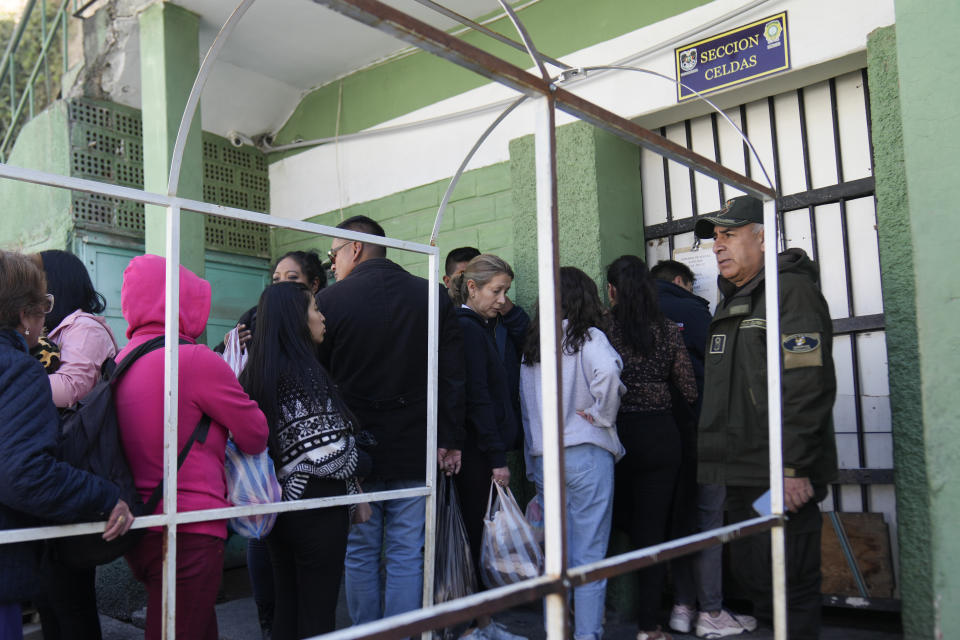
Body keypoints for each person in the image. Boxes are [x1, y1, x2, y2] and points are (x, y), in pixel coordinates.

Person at [694, 196, 837, 640]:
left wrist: (793, 468)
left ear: (761, 236)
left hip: (777, 472)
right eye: (715, 238)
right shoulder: (735, 299)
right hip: (741, 472)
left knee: (790, 586)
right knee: (760, 582)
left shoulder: (787, 291)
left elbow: (806, 385)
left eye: (729, 234)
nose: (718, 246)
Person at [317, 215, 466, 626]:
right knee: (407, 550)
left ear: (355, 248)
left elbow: (321, 382)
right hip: (416, 444)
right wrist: (450, 437)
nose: (333, 264)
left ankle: (367, 635)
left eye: (334, 254)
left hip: (352, 451)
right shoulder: (432, 297)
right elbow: (453, 376)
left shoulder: (329, 303)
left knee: (360, 549)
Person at [113, 254, 269, 640]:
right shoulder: (195, 360)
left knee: (190, 624)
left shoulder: (119, 361)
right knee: (179, 629)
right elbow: (255, 434)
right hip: (190, 527)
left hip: (140, 523)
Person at [0, 251, 133, 640]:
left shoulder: (81, 330)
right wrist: (106, 496)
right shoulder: (19, 368)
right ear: (25, 314)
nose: (44, 320)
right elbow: (23, 473)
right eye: (42, 307)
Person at [240, 282, 371, 639]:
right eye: (315, 309)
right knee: (317, 611)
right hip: (315, 506)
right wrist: (366, 462)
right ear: (297, 319)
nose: (322, 317)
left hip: (276, 508)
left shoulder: (255, 372)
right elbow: (331, 456)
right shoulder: (306, 375)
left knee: (288, 606)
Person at [650, 259, 755, 637]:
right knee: (709, 521)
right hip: (705, 430)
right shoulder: (694, 312)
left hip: (662, 437)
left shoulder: (632, 315)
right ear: (682, 282)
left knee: (680, 521)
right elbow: (723, 369)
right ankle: (711, 610)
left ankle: (682, 607)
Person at [520, 266, 625, 640]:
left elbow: (527, 410)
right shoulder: (588, 336)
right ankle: (585, 635)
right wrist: (601, 415)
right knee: (589, 557)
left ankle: (557, 631)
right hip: (585, 454)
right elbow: (610, 374)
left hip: (547, 459)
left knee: (557, 558)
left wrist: (534, 467)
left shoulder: (533, 345)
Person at [232, 249, 327, 640]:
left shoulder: (315, 341)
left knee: (293, 574)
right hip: (267, 463)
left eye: (292, 278)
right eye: (276, 278)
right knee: (266, 544)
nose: (282, 285)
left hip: (294, 466)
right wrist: (233, 348)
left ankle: (280, 621)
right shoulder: (252, 324)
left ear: (313, 285)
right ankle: (269, 616)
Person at [604, 255, 698, 640]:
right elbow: (689, 389)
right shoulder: (667, 330)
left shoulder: (603, 329)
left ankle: (596, 612)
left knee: (608, 526)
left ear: (611, 290)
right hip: (661, 437)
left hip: (616, 437)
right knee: (652, 530)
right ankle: (649, 624)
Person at [33, 250, 121, 640]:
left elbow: (71, 389)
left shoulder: (83, 328)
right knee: (51, 594)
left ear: (55, 284)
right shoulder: (50, 332)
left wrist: (16, 382)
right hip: (55, 459)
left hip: (76, 462)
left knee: (70, 597)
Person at [447, 254, 529, 640]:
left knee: (477, 542)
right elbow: (477, 397)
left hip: (476, 452)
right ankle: (475, 626)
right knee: (477, 543)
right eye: (497, 291)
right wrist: (497, 458)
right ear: (473, 287)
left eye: (506, 291)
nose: (502, 300)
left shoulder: (471, 327)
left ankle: (481, 623)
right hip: (478, 456)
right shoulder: (468, 328)